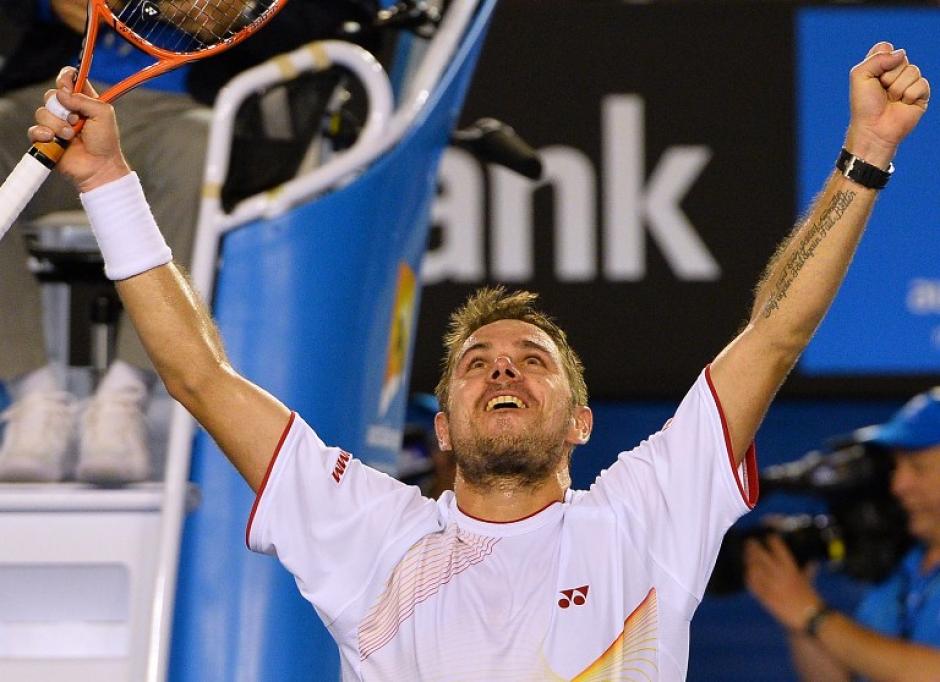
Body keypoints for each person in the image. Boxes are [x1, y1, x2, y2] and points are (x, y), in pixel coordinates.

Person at [21, 40, 928, 679]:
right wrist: (105, 183)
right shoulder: (369, 532)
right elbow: (198, 376)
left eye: (533, 361)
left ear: (581, 420)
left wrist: (867, 154)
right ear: (443, 428)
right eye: (477, 362)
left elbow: (775, 332)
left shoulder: (645, 517)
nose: (502, 369)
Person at [0, 0, 377, 484]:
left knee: (199, 148)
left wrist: (209, 10)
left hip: (183, 109)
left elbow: (330, 18)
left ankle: (123, 402)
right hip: (53, 102)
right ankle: (33, 398)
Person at [745, 389, 940, 681]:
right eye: (896, 467)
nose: (899, 484)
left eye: (918, 467)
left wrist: (812, 614)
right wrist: (793, 610)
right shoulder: (901, 569)